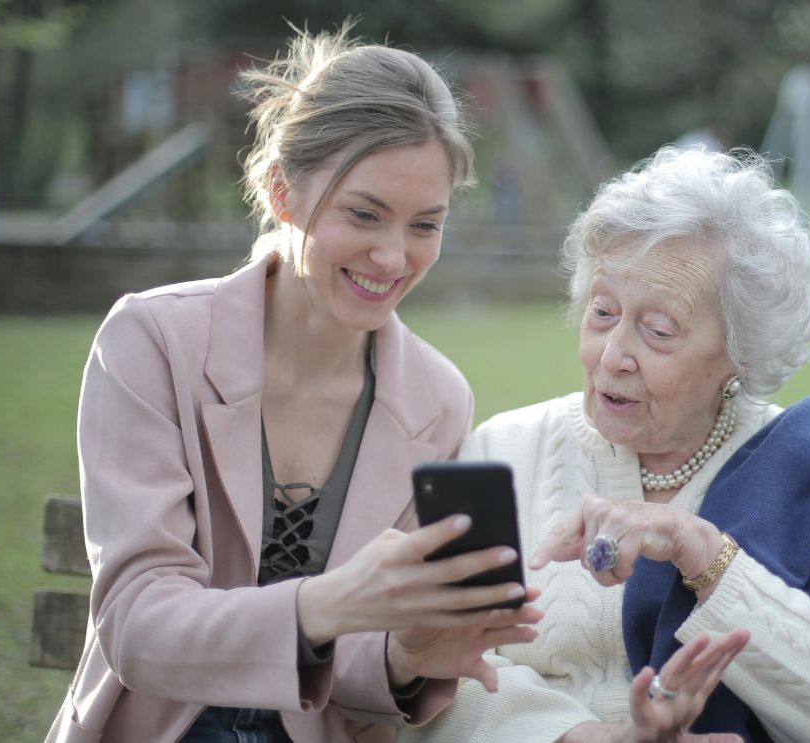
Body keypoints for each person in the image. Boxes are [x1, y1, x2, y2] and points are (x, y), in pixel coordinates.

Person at [47, 25, 542, 743]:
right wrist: (324, 602)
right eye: (363, 213)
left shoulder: (437, 397)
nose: (392, 255)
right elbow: (136, 623)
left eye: (424, 225)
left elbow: (356, 668)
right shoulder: (152, 341)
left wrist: (406, 655)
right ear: (282, 190)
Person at [406, 147, 810, 742]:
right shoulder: (504, 450)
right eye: (602, 313)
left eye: (658, 331)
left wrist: (703, 552)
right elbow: (434, 673)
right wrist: (583, 737)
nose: (611, 356)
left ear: (742, 353)